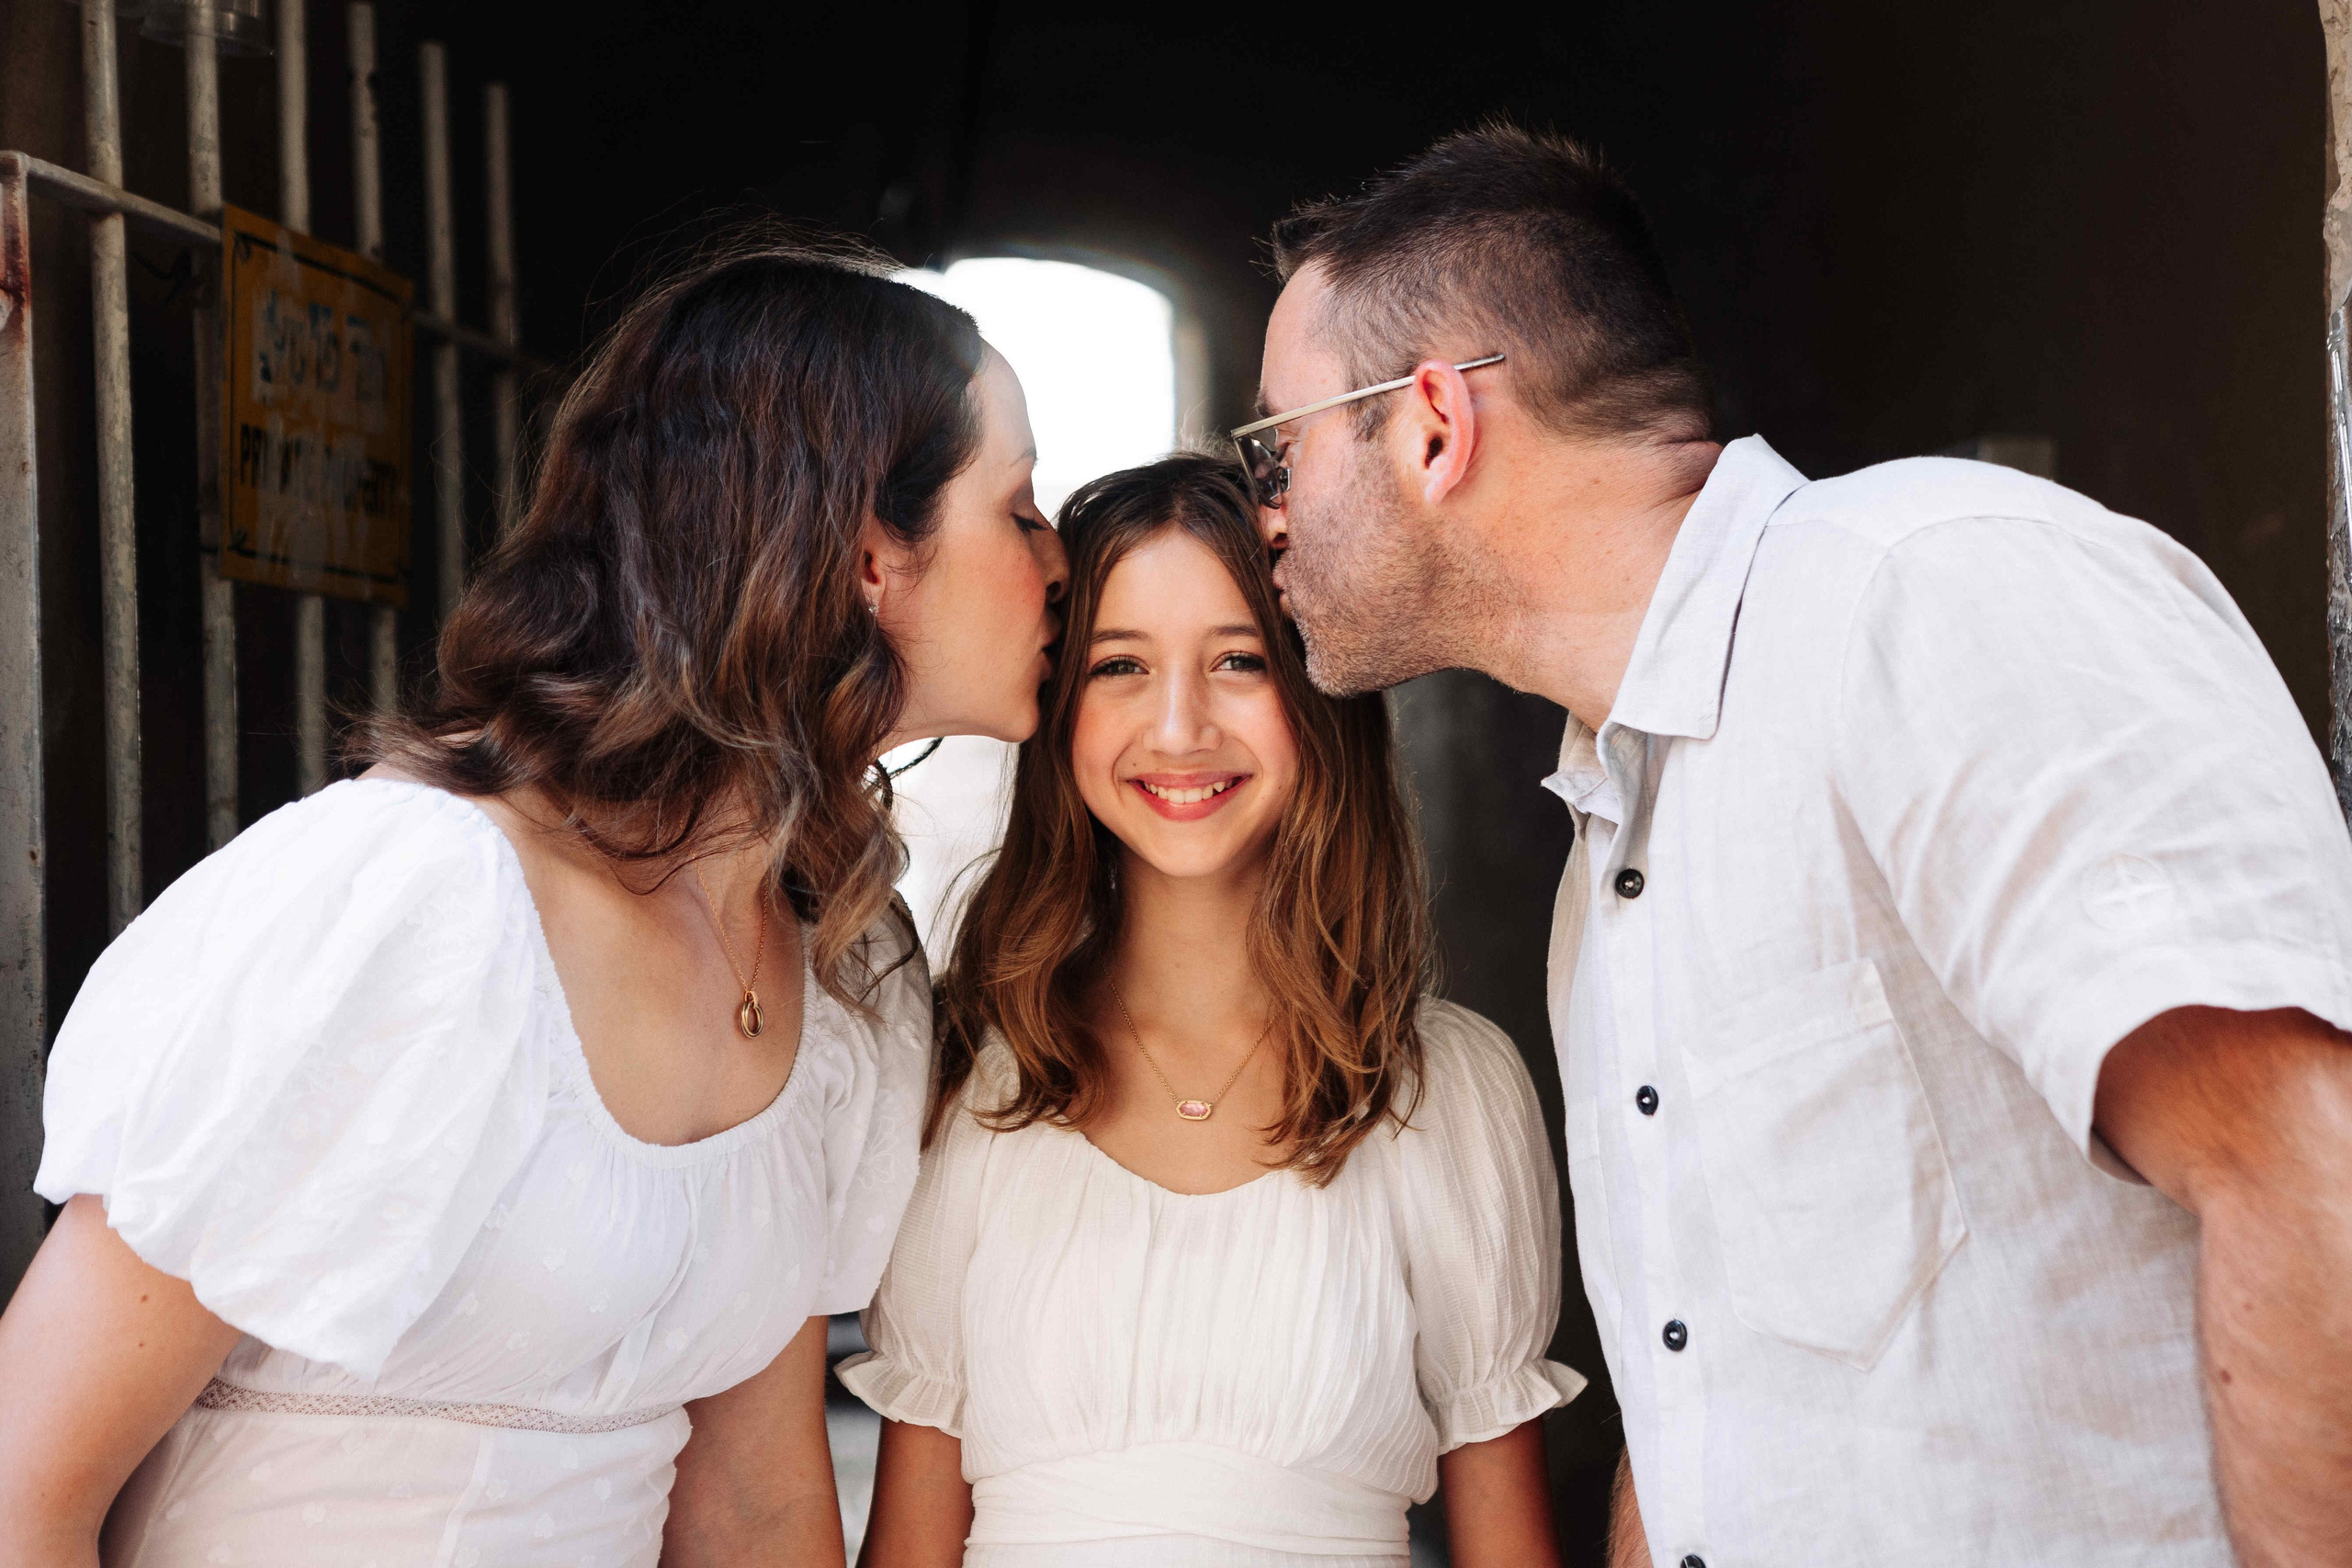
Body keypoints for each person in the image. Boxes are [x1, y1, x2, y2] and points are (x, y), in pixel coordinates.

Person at [1242, 124, 2352, 1568]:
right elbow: (1709, 1406)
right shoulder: (1606, 844)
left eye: (1279, 445)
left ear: (1434, 426)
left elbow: (2302, 1161)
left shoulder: (1922, 594)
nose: (1265, 513)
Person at [0, 237, 1069, 1567]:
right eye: (1021, 507)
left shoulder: (840, 963)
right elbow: (23, 1487)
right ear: (866, 556)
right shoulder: (415, 904)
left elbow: (752, 1504)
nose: (1058, 562)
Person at [841, 454, 1580, 1568]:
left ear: (1317, 691)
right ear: (1059, 705)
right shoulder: (959, 1069)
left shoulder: (1444, 1087)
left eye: (1238, 660)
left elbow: (1506, 1548)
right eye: (1120, 665)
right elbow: (910, 1545)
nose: (1179, 727)